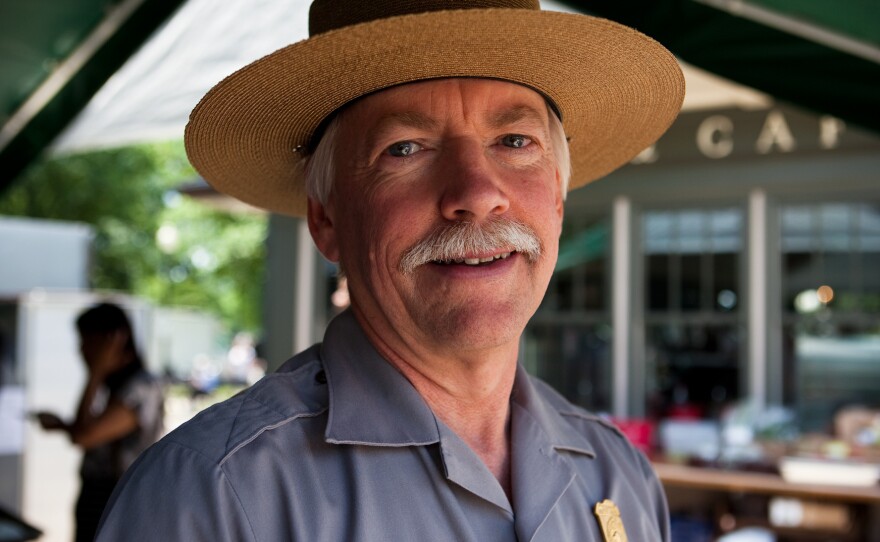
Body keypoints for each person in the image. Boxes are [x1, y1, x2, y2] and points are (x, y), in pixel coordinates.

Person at [97, 1, 685, 540]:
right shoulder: (214, 498)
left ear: (556, 199)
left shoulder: (620, 477)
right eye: (405, 148)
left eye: (513, 140)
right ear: (327, 219)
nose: (477, 194)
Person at [36, 302, 163, 542]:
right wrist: (64, 425)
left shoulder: (140, 386)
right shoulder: (113, 383)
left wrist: (95, 372)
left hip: (117, 499)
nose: (81, 350)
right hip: (97, 497)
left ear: (112, 340)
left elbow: (84, 436)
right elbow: (96, 432)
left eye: (86, 340)